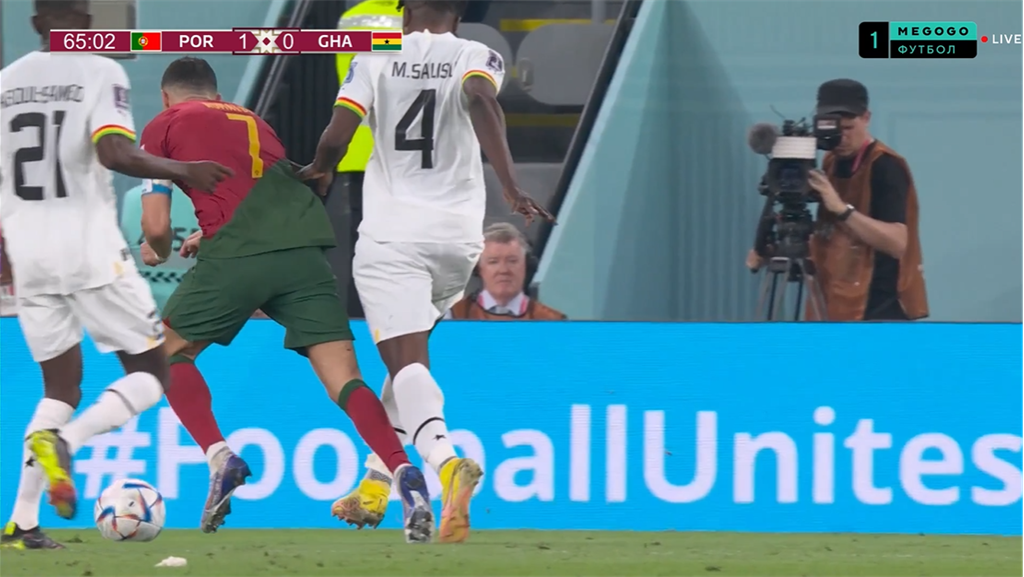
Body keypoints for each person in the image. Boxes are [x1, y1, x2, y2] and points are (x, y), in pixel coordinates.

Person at [136, 56, 434, 543]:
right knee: (346, 379)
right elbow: (268, 191)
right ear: (217, 95)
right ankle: (402, 471)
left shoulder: (163, 125)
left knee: (165, 355)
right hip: (304, 254)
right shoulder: (253, 121)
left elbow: (155, 226)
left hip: (238, 257)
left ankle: (220, 458)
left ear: (167, 97)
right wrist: (208, 233)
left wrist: (160, 248)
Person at [298, 0, 554, 542]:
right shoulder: (477, 53)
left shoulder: (374, 55)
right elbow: (481, 100)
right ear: (459, 12)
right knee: (406, 356)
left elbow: (339, 132)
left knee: (407, 360)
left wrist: (320, 168)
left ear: (402, 8)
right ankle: (375, 483)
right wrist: (510, 186)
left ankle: (446, 462)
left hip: (394, 236)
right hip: (457, 241)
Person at [0, 0, 232, 550]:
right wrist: (184, 169)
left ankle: (22, 523)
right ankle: (70, 442)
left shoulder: (6, 83)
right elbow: (114, 152)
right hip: (87, 248)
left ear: (36, 22)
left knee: (59, 386)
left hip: (28, 252)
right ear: (84, 22)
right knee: (153, 372)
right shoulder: (99, 69)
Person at [746, 79, 928, 321]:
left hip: (876, 308)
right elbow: (831, 233)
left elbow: (897, 244)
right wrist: (776, 247)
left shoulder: (885, 165)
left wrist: (842, 209)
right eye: (833, 130)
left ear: (866, 118)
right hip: (834, 298)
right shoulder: (831, 161)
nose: (841, 138)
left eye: (848, 128)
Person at [447, 222, 567, 320]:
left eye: (512, 261)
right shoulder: (453, 316)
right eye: (493, 262)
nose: (503, 270)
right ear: (478, 268)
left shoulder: (553, 322)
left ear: (526, 265)